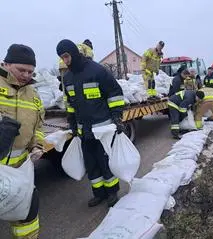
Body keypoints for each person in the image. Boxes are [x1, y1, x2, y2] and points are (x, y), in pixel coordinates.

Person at [56, 39, 125, 208]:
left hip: (103, 128)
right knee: (91, 164)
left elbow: (114, 93)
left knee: (105, 162)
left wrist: (117, 116)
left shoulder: (97, 70)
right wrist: (72, 123)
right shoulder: (68, 78)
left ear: (73, 52)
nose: (65, 60)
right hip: (84, 130)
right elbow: (69, 103)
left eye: (66, 56)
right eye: (61, 58)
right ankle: (99, 194)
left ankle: (112, 192)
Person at [0, 44, 45, 239]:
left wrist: (37, 145)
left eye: (30, 71)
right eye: (21, 70)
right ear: (6, 64)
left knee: (27, 215)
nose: (26, 75)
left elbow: (39, 126)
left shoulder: (33, 95)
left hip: (21, 167)